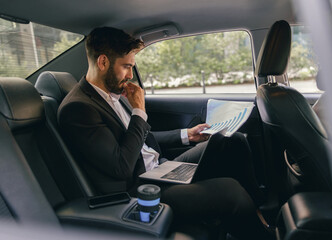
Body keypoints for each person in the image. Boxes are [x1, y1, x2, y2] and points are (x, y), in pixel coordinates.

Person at [58, 27, 270, 239]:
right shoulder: (78, 108)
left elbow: (140, 141)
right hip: (141, 190)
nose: (131, 75)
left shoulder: (113, 92)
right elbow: (121, 166)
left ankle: (260, 210)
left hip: (159, 169)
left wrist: (187, 134)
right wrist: (139, 112)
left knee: (232, 141)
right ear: (103, 62)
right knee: (230, 191)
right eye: (126, 66)